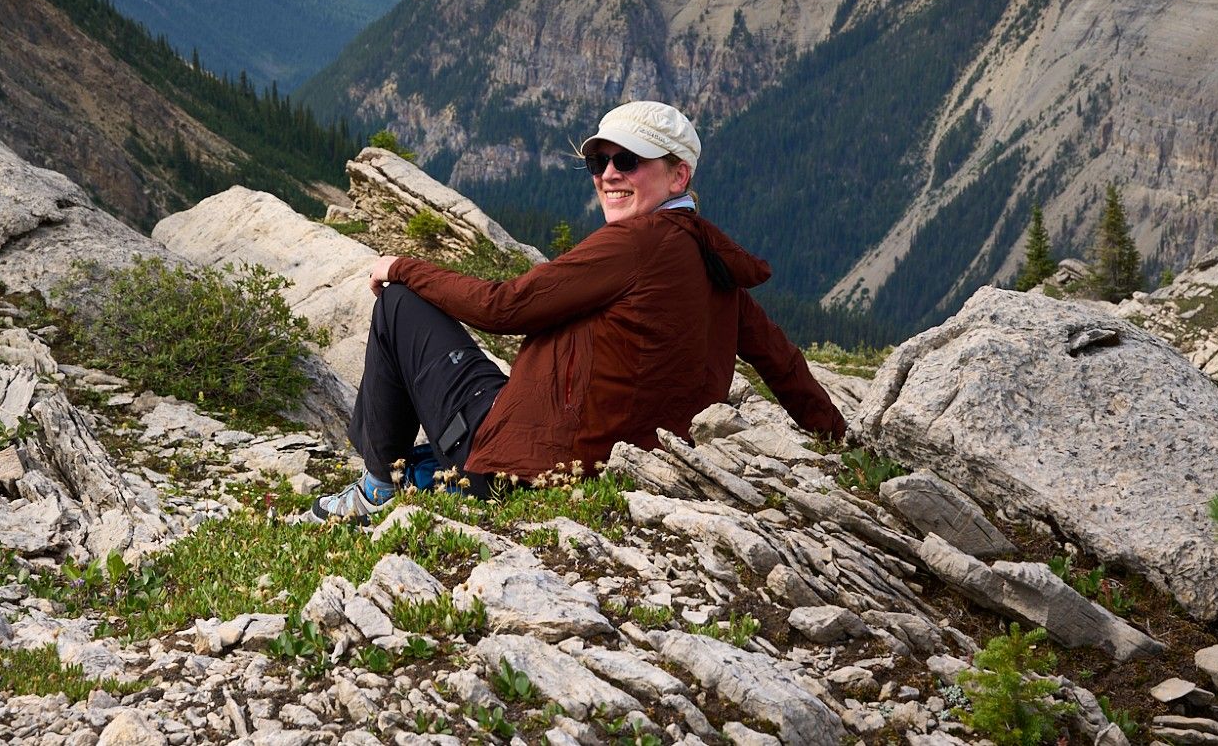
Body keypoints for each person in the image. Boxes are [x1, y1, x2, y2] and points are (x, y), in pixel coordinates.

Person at [310, 99, 849, 521]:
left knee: (401, 305)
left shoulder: (637, 242)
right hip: (602, 459)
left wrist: (404, 265)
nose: (608, 174)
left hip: (523, 468)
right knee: (482, 381)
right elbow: (781, 361)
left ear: (678, 176)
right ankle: (417, 470)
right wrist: (837, 442)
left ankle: (379, 487)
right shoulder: (710, 260)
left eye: (629, 161)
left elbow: (506, 307)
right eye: (599, 160)